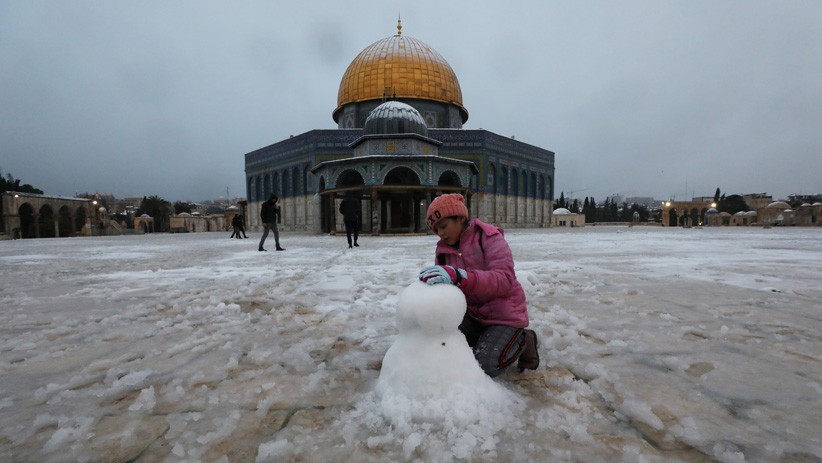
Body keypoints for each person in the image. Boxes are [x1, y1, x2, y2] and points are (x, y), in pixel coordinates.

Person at [418, 193, 539, 376]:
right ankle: (487, 339)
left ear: (460, 218)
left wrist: (461, 276)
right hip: (474, 315)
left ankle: (524, 340)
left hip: (504, 315)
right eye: (436, 230)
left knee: (485, 365)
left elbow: (504, 279)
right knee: (439, 340)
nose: (440, 233)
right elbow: (447, 287)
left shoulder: (489, 237)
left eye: (443, 226)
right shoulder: (443, 250)